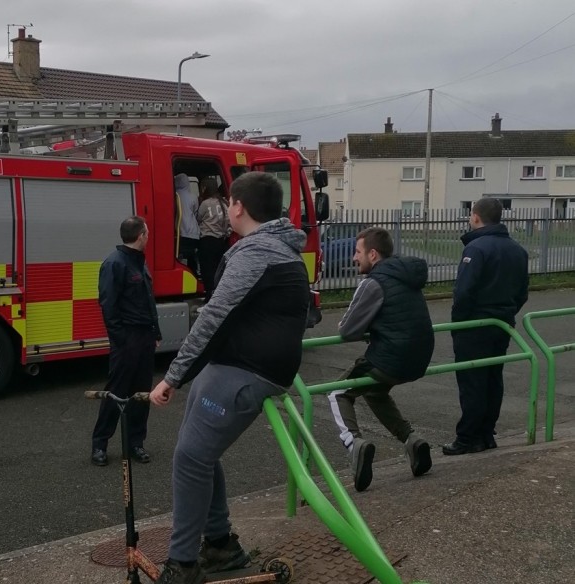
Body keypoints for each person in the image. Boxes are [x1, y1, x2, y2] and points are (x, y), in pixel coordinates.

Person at [149, 172, 310, 584]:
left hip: (247, 370)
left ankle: (182, 565)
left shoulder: (257, 253)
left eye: (229, 203)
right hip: (237, 365)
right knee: (199, 453)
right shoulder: (278, 249)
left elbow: (214, 316)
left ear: (237, 207)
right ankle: (220, 545)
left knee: (190, 457)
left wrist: (173, 376)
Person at [328, 227, 435, 492]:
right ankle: (412, 440)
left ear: (373, 254)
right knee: (375, 393)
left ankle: (355, 445)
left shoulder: (373, 282)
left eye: (358, 252)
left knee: (337, 393)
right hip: (419, 357)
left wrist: (363, 326)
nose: (354, 258)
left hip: (391, 358)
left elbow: (347, 330)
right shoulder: (405, 276)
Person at [443, 198, 529, 455]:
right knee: (492, 378)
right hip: (502, 323)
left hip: (475, 324)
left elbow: (464, 292)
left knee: (472, 381)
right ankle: (486, 433)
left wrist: (459, 323)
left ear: (475, 217)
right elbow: (522, 292)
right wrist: (507, 312)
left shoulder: (476, 249)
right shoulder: (517, 250)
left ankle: (468, 437)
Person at [91, 216, 162, 466]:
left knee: (141, 394)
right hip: (126, 339)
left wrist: (156, 333)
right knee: (117, 393)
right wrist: (120, 340)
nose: (149, 236)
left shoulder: (139, 262)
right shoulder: (114, 264)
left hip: (144, 337)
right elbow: (108, 305)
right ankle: (100, 444)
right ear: (141, 235)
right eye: (148, 233)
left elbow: (147, 300)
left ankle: (135, 443)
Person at [197, 177, 230, 301]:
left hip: (207, 240)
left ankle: (209, 294)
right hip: (221, 241)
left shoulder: (205, 204)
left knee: (207, 269)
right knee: (218, 269)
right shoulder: (224, 203)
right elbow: (229, 222)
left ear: (205, 188)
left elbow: (199, 218)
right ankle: (218, 294)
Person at [174, 173, 200, 274]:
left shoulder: (175, 194)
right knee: (191, 257)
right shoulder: (193, 196)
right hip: (193, 232)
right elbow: (195, 212)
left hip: (180, 231)